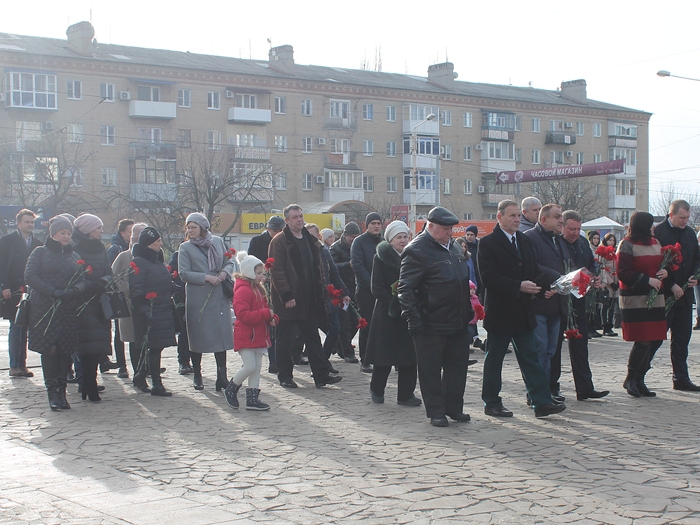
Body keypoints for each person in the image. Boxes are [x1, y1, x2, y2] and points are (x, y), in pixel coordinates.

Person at [478, 200, 565, 419]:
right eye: (512, 216)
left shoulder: (524, 241)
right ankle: (492, 402)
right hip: (500, 312)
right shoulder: (488, 243)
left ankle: (541, 402)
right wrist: (518, 286)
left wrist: (544, 288)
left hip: (524, 310)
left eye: (519, 215)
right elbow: (488, 278)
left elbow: (532, 270)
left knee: (531, 357)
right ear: (499, 217)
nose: (517, 220)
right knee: (494, 359)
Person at [399, 206, 473, 427]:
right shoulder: (417, 250)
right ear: (430, 226)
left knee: (457, 368)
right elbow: (405, 288)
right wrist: (413, 318)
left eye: (451, 229)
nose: (449, 233)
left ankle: (454, 408)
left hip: (458, 319)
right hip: (430, 321)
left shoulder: (454, 247)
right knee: (430, 370)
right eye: (444, 229)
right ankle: (436, 411)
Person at [269, 204, 342, 389]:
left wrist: (323, 291)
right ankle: (285, 376)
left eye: (301, 216)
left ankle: (321, 376)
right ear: (287, 220)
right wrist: (287, 296)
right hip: (289, 301)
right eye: (295, 217)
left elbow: (320, 268)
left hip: (310, 298)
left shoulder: (311, 240)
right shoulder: (279, 241)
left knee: (313, 338)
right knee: (285, 340)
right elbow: (277, 271)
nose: (299, 220)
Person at [25, 215, 87, 410]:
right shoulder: (40, 252)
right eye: (62, 233)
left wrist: (74, 290)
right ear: (53, 234)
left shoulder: (74, 256)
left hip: (67, 309)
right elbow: (30, 275)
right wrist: (51, 291)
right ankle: (52, 391)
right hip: (45, 308)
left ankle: (62, 391)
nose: (66, 236)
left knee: (64, 349)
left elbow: (82, 279)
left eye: (69, 233)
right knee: (49, 348)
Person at [178, 213, 235, 391]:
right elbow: (184, 273)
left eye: (194, 227)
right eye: (188, 227)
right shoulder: (185, 247)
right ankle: (197, 375)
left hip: (218, 297)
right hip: (199, 297)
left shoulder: (217, 242)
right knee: (197, 337)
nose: (190, 230)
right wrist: (206, 277)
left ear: (203, 228)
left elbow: (229, 262)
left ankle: (222, 376)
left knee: (221, 336)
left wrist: (224, 273)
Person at [367, 221, 421, 407]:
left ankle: (406, 394)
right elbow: (376, 287)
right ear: (390, 240)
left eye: (405, 236)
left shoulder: (413, 256)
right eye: (399, 237)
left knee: (409, 356)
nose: (403, 240)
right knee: (384, 356)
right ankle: (377, 390)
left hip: (408, 312)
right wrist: (393, 303)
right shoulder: (380, 258)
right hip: (387, 313)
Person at [558, 210, 610, 401]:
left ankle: (585, 387)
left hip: (579, 298)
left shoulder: (581, 242)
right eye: (571, 229)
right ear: (562, 226)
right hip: (559, 300)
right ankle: (552, 388)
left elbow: (591, 264)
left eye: (578, 229)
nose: (575, 233)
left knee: (580, 344)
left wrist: (595, 277)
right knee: (554, 347)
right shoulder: (556, 243)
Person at [617, 211, 668, 398]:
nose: (653, 227)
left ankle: (640, 378)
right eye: (650, 224)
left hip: (655, 297)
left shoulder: (655, 243)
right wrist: (647, 280)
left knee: (656, 338)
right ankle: (632, 378)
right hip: (636, 298)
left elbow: (661, 264)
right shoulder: (627, 244)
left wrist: (665, 272)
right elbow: (622, 271)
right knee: (643, 339)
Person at [650, 200, 700, 391]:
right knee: (655, 338)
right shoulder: (659, 232)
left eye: (687, 218)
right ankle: (637, 375)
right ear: (671, 215)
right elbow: (655, 264)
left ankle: (680, 378)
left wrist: (695, 277)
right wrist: (671, 284)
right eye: (682, 218)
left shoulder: (689, 233)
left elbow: (696, 259)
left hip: (685, 296)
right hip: (664, 295)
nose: (685, 221)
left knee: (682, 339)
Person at [225, 252, 278, 411]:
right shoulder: (243, 290)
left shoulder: (258, 289)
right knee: (249, 366)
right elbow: (243, 315)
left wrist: (272, 318)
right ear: (249, 272)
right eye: (259, 273)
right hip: (246, 335)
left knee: (256, 367)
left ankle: (252, 399)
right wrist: (265, 314)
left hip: (258, 334)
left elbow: (265, 310)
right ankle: (231, 388)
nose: (262, 276)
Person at [523, 204, 567, 391]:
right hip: (538, 304)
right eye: (557, 217)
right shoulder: (529, 238)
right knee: (539, 351)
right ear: (544, 219)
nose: (561, 220)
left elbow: (564, 265)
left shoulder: (558, 239)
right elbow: (531, 266)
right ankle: (537, 393)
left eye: (561, 217)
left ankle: (547, 391)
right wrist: (557, 277)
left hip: (556, 304)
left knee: (551, 351)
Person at [129, 226, 176, 396]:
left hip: (162, 309)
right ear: (149, 244)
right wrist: (143, 310)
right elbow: (136, 289)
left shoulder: (157, 260)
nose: (161, 244)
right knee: (153, 347)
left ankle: (141, 375)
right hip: (149, 311)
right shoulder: (140, 262)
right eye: (158, 241)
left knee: (157, 347)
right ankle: (156, 384)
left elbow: (160, 280)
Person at [72, 214, 112, 401]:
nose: (101, 231)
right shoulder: (75, 249)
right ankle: (87, 383)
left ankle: (90, 383)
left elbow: (108, 271)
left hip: (99, 300)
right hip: (82, 301)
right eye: (98, 228)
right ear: (88, 230)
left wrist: (102, 282)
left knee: (98, 345)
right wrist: (89, 285)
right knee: (87, 345)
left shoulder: (101, 248)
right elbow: (74, 274)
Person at [0, 209, 42, 378]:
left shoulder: (37, 243)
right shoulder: (7, 241)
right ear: (18, 223)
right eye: (27, 222)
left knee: (25, 328)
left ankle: (23, 364)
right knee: (16, 327)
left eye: (32, 222)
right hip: (13, 291)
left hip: (31, 290)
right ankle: (14, 366)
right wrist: (4, 286)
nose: (30, 225)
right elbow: (2, 265)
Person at [306, 223, 349, 371]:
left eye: (312, 235)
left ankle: (323, 359)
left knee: (335, 329)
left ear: (319, 236)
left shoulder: (324, 251)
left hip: (327, 297)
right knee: (311, 335)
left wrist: (344, 293)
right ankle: (319, 365)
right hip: (310, 299)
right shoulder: (303, 252)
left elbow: (334, 274)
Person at [247, 215, 284, 373]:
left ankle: (279, 358)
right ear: (268, 229)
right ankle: (272, 360)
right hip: (262, 284)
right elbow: (251, 262)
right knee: (268, 321)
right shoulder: (257, 241)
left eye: (280, 230)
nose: (278, 233)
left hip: (279, 283)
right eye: (275, 230)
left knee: (278, 323)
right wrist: (262, 275)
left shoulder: (284, 241)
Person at [111, 223, 147, 376]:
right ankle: (136, 372)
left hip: (148, 302)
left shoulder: (152, 255)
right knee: (133, 338)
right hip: (129, 303)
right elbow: (114, 277)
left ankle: (146, 368)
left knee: (147, 338)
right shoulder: (124, 256)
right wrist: (128, 289)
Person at [351, 212, 384, 373]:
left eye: (378, 223)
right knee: (367, 326)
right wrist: (372, 285)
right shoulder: (359, 242)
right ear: (367, 225)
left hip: (382, 292)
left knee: (382, 327)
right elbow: (358, 266)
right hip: (365, 291)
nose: (376, 226)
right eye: (373, 223)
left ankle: (380, 357)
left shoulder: (383, 242)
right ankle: (365, 359)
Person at [106, 218, 135, 377]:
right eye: (131, 232)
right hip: (122, 297)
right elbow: (112, 274)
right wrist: (125, 288)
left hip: (134, 297)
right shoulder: (116, 250)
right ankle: (122, 365)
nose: (133, 235)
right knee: (120, 331)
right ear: (123, 233)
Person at [330, 221, 361, 363]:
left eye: (356, 236)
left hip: (356, 288)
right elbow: (333, 267)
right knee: (344, 322)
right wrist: (348, 265)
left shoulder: (359, 246)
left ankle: (340, 345)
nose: (354, 239)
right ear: (345, 235)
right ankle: (348, 352)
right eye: (351, 237)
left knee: (356, 321)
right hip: (342, 289)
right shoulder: (335, 248)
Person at [168, 248, 194, 375]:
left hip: (196, 298)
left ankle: (193, 362)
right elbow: (174, 277)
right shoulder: (178, 255)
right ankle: (183, 362)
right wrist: (181, 293)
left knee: (194, 332)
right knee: (184, 331)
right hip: (181, 299)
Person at [600, 233, 620, 337]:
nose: (611, 242)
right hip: (607, 283)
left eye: (613, 240)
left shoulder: (615, 252)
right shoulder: (603, 253)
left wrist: (618, 281)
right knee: (606, 306)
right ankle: (605, 327)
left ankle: (610, 327)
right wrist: (610, 282)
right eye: (609, 240)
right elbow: (603, 270)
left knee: (612, 306)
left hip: (615, 282)